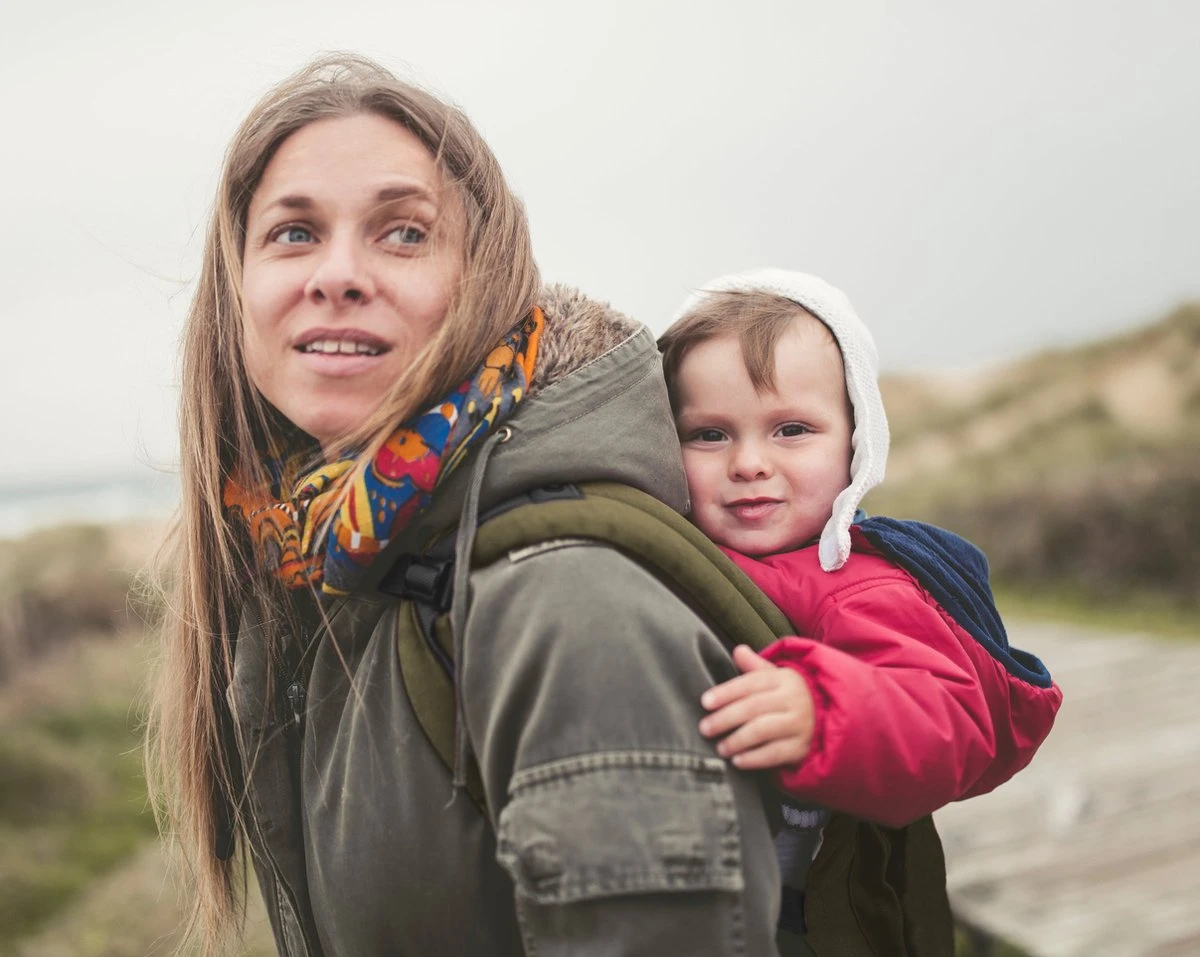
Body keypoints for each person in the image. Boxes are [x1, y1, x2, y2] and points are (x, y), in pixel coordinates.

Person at [146, 54, 788, 957]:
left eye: (403, 233)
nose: (337, 274)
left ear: (481, 277)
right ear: (236, 289)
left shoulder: (568, 612)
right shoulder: (318, 565)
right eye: (293, 233)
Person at [659, 269, 1063, 936]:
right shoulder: (679, 550)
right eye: (710, 434)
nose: (750, 462)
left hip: (820, 912)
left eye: (791, 429)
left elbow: (945, 719)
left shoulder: (857, 582)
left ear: (855, 441)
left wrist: (823, 712)